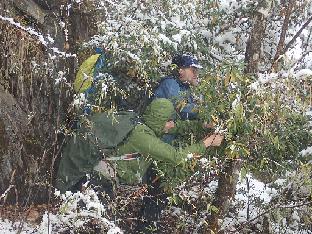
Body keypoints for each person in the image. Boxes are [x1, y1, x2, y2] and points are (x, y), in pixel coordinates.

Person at [56, 98, 223, 194]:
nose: (172, 124)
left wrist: (203, 126)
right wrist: (207, 143)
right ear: (159, 120)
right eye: (169, 121)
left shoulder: (140, 122)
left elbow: (176, 126)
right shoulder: (142, 137)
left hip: (100, 178)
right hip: (101, 182)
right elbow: (176, 157)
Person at [153, 53, 203, 121]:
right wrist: (202, 111)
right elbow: (180, 107)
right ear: (181, 70)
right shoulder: (170, 83)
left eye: (197, 71)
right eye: (193, 70)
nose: (196, 74)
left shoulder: (184, 86)